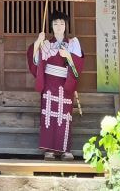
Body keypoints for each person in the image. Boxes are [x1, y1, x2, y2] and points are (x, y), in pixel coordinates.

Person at [28, 10, 84, 160]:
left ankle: (65, 149)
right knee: (48, 116)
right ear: (51, 26)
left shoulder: (72, 44)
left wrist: (69, 57)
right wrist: (37, 43)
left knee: (65, 117)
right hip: (49, 84)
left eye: (61, 23)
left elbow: (79, 64)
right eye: (55, 23)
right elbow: (35, 62)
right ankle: (49, 150)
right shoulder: (46, 44)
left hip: (66, 84)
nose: (58, 26)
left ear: (66, 25)